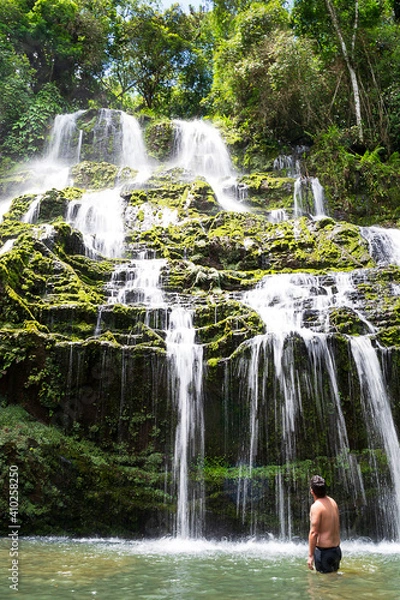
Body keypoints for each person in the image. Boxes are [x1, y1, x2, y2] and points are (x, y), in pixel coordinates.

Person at [307, 475, 341, 573]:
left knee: (323, 585)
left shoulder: (316, 507)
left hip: (324, 553)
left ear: (312, 491)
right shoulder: (332, 502)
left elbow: (314, 533)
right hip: (336, 551)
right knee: (333, 581)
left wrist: (310, 556)